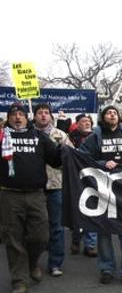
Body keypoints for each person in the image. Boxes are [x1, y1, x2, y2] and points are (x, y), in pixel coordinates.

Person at [0, 103, 62, 293]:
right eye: (13, 115)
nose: (17, 118)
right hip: (9, 195)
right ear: (8, 118)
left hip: (36, 195)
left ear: (27, 118)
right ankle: (19, 282)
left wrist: (62, 149)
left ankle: (32, 263)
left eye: (21, 114)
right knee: (13, 239)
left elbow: (56, 160)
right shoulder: (2, 136)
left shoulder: (38, 136)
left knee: (40, 237)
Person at [79, 104, 122, 287]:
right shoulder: (95, 136)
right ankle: (106, 268)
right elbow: (83, 157)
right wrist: (101, 162)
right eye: (109, 113)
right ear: (103, 117)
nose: (112, 115)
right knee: (104, 230)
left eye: (115, 113)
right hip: (103, 188)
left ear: (119, 117)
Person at [33, 103, 74, 277]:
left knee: (56, 227)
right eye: (39, 113)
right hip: (33, 187)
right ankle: (32, 262)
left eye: (46, 113)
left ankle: (55, 263)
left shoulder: (60, 135)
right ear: (34, 116)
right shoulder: (29, 134)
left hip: (56, 185)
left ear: (51, 116)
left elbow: (72, 156)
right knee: (34, 228)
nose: (43, 116)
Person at [67, 113, 98, 257]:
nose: (87, 123)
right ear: (77, 124)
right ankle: (76, 239)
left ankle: (90, 244)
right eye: (83, 121)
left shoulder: (97, 137)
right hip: (76, 179)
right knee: (78, 210)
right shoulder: (71, 138)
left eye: (88, 121)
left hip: (93, 178)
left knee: (93, 210)